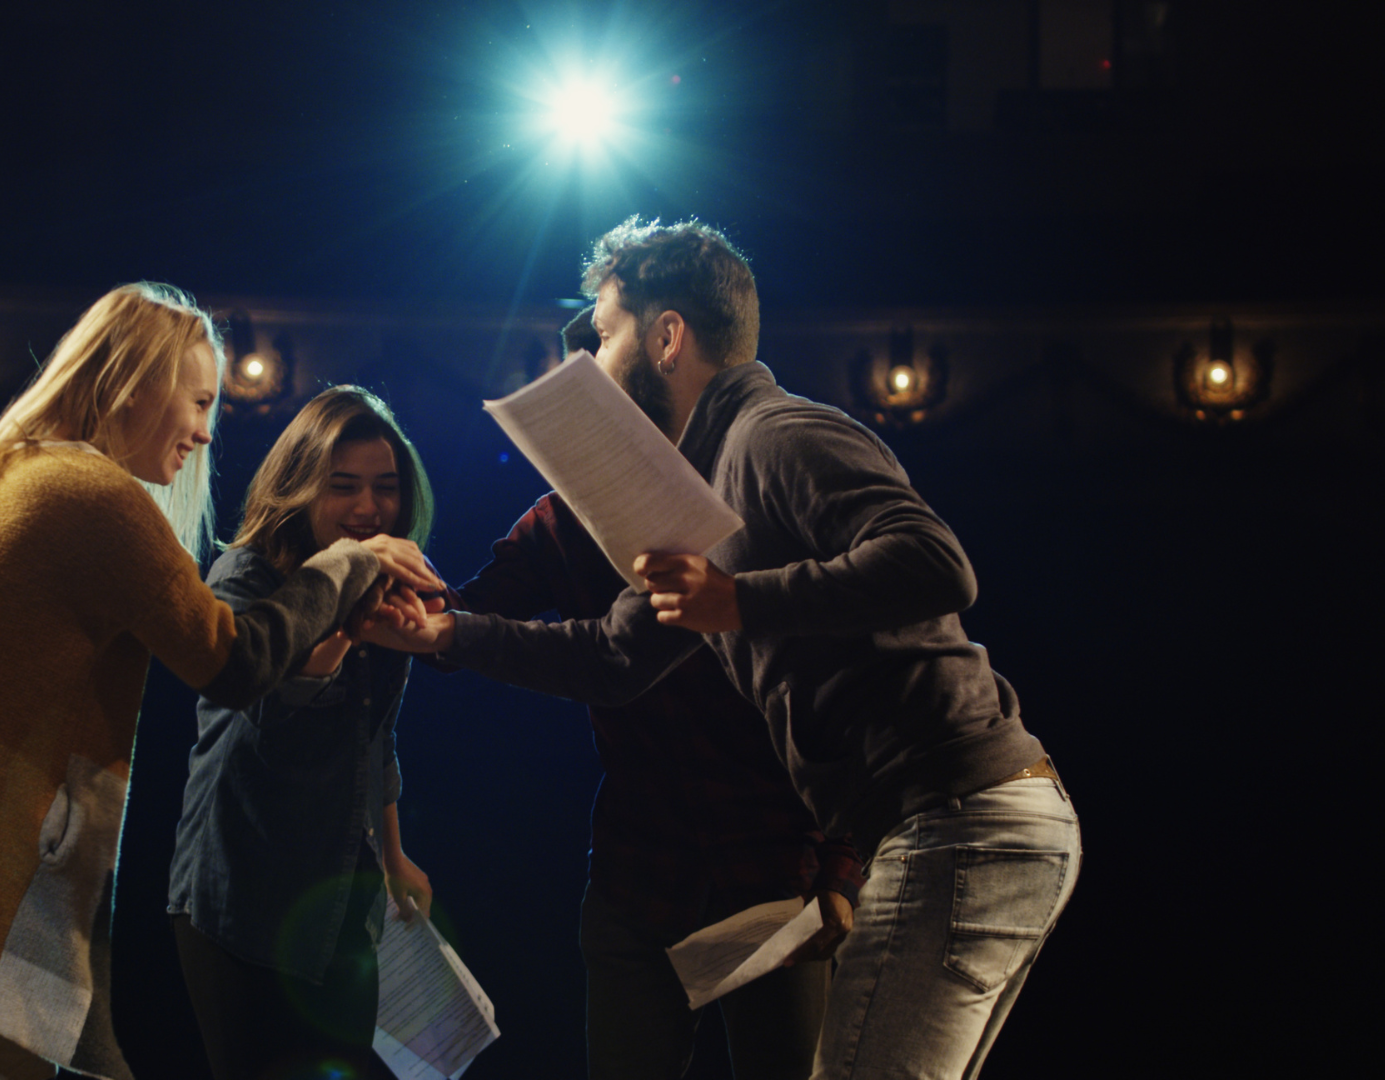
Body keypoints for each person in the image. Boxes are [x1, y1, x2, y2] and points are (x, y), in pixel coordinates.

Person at [366, 220, 1080, 1080]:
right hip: (956, 828)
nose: (592, 362)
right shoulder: (702, 490)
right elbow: (616, 660)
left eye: (604, 333)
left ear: (667, 337)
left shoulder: (774, 433)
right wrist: (444, 631)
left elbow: (936, 564)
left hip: (960, 817)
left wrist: (736, 600)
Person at [0, 283, 439, 1080]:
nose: (208, 431)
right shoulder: (93, 490)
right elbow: (234, 661)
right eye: (200, 401)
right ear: (140, 383)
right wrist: (349, 564)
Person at [448, 305, 856, 1080]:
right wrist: (376, 583)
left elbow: (845, 695)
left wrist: (840, 877)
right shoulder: (554, 524)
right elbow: (465, 622)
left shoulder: (747, 492)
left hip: (774, 870)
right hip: (640, 879)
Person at [168, 386, 438, 1080]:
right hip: (241, 893)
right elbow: (263, 717)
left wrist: (394, 857)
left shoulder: (383, 580)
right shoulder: (244, 575)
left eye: (384, 489)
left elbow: (375, 738)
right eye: (342, 487)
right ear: (299, 487)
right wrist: (342, 634)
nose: (367, 509)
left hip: (337, 893)